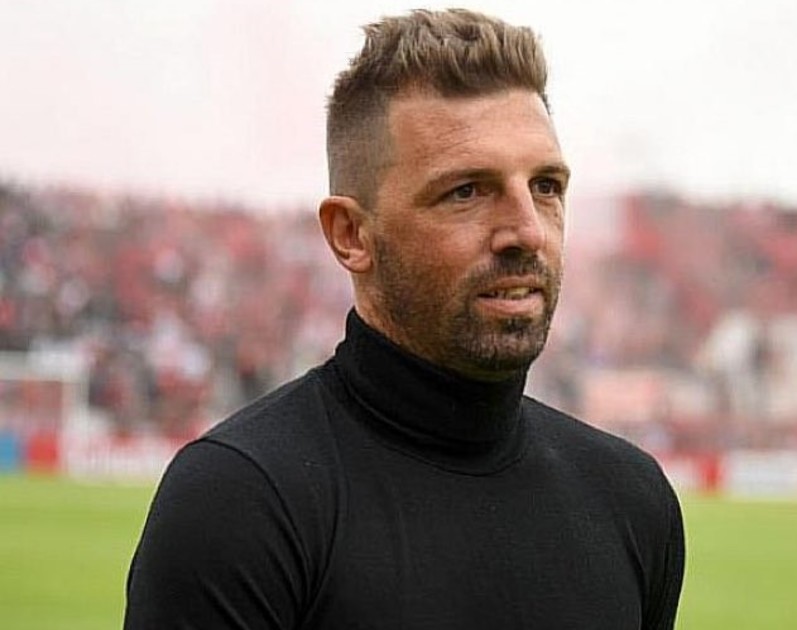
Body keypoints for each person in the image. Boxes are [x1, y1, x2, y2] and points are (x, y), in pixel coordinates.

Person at [124, 9, 686, 629]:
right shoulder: (242, 500)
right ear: (350, 234)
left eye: (546, 186)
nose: (528, 231)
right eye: (466, 191)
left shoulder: (631, 501)